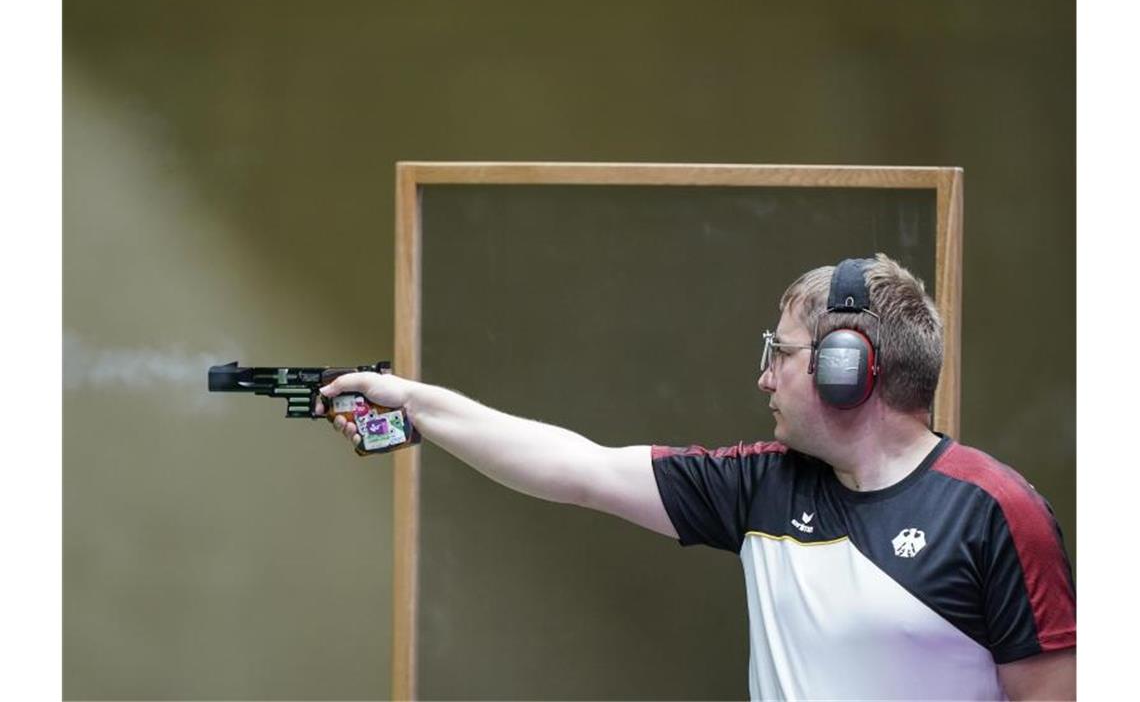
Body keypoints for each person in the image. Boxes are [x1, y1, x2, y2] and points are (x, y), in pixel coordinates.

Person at [316, 254, 1076, 701]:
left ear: (849, 369)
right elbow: (578, 469)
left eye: (781, 352)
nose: (766, 378)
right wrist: (414, 401)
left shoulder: (995, 510)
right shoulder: (762, 487)